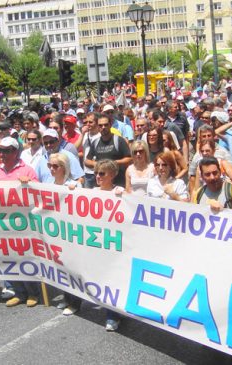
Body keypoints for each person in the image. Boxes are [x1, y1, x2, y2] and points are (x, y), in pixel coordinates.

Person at [0, 137, 40, 307]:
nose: (1, 154)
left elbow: (40, 194)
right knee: (9, 258)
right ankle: (19, 292)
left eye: (5, 151)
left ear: (15, 152)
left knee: (26, 258)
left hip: (23, 223)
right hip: (4, 223)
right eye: (0, 151)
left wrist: (30, 184)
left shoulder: (27, 170)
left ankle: (33, 293)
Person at [92, 159, 125, 331]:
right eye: (96, 173)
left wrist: (123, 196)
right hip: (96, 244)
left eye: (102, 173)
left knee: (112, 280)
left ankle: (113, 316)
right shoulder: (91, 192)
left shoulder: (119, 192)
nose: (98, 176)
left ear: (112, 175)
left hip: (114, 245)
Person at [85, 115, 132, 187]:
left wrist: (113, 163)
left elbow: (129, 159)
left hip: (118, 183)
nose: (103, 127)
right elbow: (87, 161)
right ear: (98, 127)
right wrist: (97, 164)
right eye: (100, 125)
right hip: (101, 185)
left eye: (105, 125)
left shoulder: (119, 140)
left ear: (110, 125)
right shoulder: (95, 142)